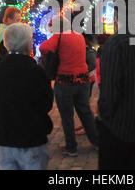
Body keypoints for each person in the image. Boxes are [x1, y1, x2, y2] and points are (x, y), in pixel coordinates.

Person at [97, 0, 135, 170]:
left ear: (116, 13)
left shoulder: (115, 44)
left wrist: (102, 117)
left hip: (118, 125)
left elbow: (111, 91)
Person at [0, 23, 53, 170]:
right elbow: (46, 103)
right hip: (30, 140)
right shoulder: (34, 71)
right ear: (27, 43)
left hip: (3, 140)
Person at [39, 18, 98, 157]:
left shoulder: (59, 36)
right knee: (86, 112)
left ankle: (71, 148)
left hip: (65, 81)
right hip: (83, 80)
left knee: (67, 116)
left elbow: (43, 48)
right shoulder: (79, 35)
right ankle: (97, 142)